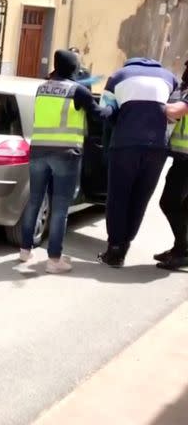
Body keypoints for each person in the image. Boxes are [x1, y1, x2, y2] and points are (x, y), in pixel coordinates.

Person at [19, 50, 112, 273]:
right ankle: (53, 260)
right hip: (66, 154)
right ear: (74, 69)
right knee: (60, 208)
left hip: (39, 151)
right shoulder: (77, 91)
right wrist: (112, 107)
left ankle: (25, 251)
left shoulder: (42, 88)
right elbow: (98, 115)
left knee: (34, 201)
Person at [98, 57, 180, 267]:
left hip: (125, 145)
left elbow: (106, 111)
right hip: (157, 148)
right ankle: (125, 244)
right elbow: (175, 114)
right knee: (140, 199)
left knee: (118, 197)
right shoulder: (170, 78)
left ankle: (115, 251)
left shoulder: (117, 77)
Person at [159, 62, 188, 269]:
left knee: (169, 202)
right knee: (182, 205)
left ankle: (182, 250)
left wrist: (152, 104)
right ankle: (180, 249)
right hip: (183, 158)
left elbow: (177, 111)